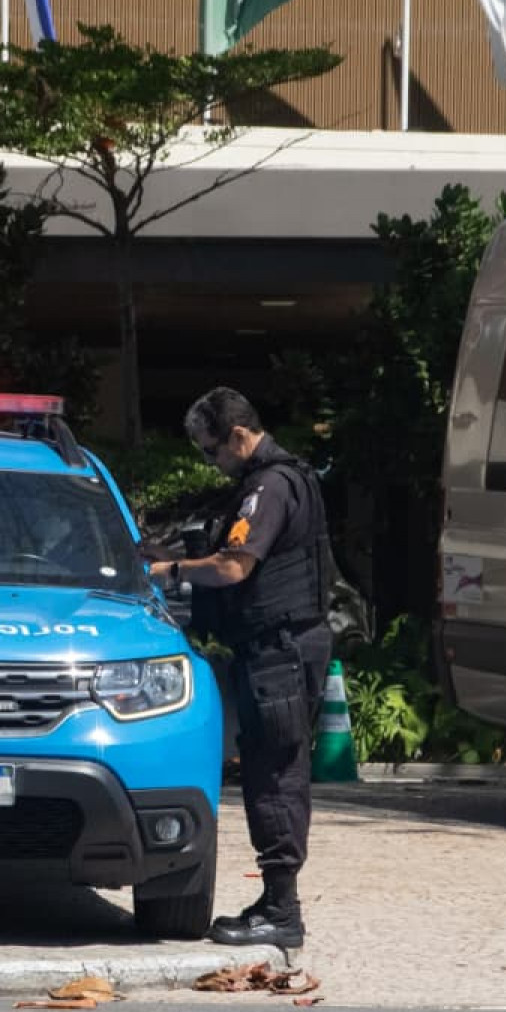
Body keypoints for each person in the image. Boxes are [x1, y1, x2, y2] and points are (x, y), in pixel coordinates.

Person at [147, 388, 332, 949]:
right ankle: (277, 903)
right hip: (280, 648)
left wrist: (171, 571)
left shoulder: (269, 487)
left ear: (237, 435)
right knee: (272, 769)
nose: (213, 463)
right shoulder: (280, 479)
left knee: (274, 776)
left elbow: (232, 566)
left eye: (212, 451)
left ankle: (281, 910)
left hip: (279, 652)